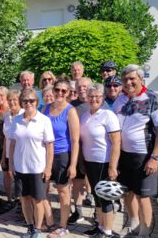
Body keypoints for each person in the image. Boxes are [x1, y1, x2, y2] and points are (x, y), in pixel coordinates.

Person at [113, 64, 158, 237]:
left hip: (144, 156)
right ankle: (134, 222)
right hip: (123, 155)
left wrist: (155, 158)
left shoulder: (152, 98)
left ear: (141, 79)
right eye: (125, 79)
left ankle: (145, 232)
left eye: (132, 79)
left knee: (143, 196)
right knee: (127, 192)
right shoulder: (120, 99)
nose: (128, 82)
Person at [8, 88, 54, 238]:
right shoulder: (16, 120)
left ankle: (38, 230)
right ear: (22, 102)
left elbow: (49, 146)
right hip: (20, 167)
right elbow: (12, 143)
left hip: (37, 168)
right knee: (24, 198)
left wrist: (48, 168)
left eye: (32, 100)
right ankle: (30, 227)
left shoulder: (44, 120)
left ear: (37, 102)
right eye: (25, 101)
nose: (28, 103)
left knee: (38, 200)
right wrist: (10, 164)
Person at [80, 83, 121, 237]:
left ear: (103, 98)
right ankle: (100, 226)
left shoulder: (108, 115)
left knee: (106, 197)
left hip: (104, 162)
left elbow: (117, 142)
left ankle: (108, 231)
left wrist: (112, 167)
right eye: (91, 96)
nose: (94, 99)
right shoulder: (85, 116)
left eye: (97, 96)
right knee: (97, 196)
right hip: (90, 162)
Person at [43, 80, 79, 238]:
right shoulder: (45, 108)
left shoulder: (70, 111)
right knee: (42, 189)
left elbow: (75, 140)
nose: (59, 93)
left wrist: (73, 164)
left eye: (64, 91)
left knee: (63, 191)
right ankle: (50, 222)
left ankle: (63, 226)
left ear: (68, 93)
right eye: (57, 89)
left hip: (62, 155)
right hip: (44, 154)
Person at [68, 76, 94, 223]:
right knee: (77, 181)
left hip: (95, 151)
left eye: (85, 86)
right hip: (77, 150)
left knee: (95, 181)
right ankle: (78, 212)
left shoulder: (100, 104)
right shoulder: (71, 106)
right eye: (79, 86)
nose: (82, 89)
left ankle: (99, 213)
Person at [2, 90, 24, 208]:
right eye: (9, 100)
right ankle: (16, 203)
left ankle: (22, 206)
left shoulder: (23, 115)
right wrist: (3, 156)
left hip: (20, 153)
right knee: (14, 178)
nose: (12, 102)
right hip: (9, 153)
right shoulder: (7, 116)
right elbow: (6, 138)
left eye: (14, 99)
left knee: (20, 180)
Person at [0, 86, 10, 205]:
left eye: (1, 95)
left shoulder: (12, 110)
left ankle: (18, 198)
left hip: (11, 144)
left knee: (12, 172)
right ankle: (9, 198)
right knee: (5, 172)